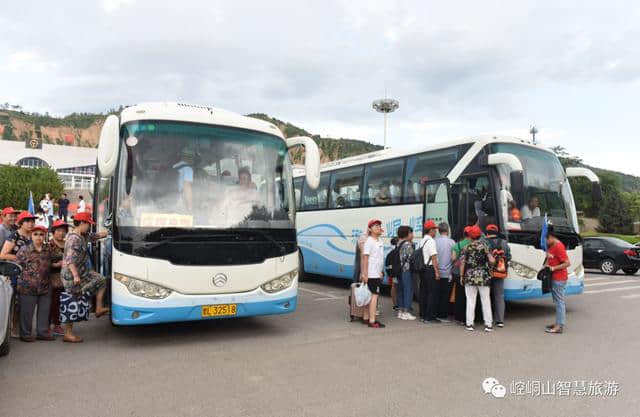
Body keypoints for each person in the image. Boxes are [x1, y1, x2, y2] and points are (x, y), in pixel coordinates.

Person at [60, 212, 109, 342]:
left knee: (101, 279)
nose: (89, 227)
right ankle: (68, 333)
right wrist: (76, 276)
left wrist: (111, 231)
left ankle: (98, 308)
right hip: (71, 274)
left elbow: (97, 236)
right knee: (73, 299)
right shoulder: (73, 239)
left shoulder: (84, 235)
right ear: (82, 223)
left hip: (83, 272)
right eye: (88, 224)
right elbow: (69, 260)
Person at [15, 224, 54, 342]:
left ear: (45, 236)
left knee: (44, 311)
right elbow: (16, 266)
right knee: (26, 313)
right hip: (27, 287)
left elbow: (55, 261)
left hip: (45, 286)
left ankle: (42, 333)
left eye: (41, 234)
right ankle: (26, 334)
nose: (38, 237)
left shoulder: (49, 249)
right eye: (35, 234)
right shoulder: (24, 250)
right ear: (31, 236)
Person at [1, 211, 36, 338]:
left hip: (32, 274)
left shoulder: (34, 235)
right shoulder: (14, 236)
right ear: (21, 223)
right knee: (16, 302)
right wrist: (20, 258)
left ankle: (23, 328)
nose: (31, 223)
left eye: (32, 221)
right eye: (27, 221)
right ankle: (13, 328)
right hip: (16, 273)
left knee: (25, 302)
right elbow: (3, 255)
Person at [460, 225, 495, 332]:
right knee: (485, 300)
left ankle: (469, 324)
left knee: (470, 300)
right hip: (483, 277)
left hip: (469, 276)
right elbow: (492, 261)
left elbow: (462, 263)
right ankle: (488, 325)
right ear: (480, 235)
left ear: (470, 236)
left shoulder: (466, 248)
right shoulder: (485, 247)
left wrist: (461, 276)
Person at [544, 226, 571, 334]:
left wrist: (553, 268)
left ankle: (559, 326)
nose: (545, 242)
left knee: (559, 302)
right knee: (557, 301)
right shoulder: (551, 245)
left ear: (550, 237)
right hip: (554, 278)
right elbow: (550, 259)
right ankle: (558, 323)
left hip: (559, 278)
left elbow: (567, 263)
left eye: (545, 239)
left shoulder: (559, 246)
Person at [361, 219, 386, 328]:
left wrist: (380, 271)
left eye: (379, 226)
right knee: (374, 297)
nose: (378, 227)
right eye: (375, 226)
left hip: (376, 273)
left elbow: (379, 259)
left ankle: (366, 318)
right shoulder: (369, 241)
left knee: (369, 296)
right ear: (370, 229)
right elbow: (365, 258)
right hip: (371, 274)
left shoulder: (379, 241)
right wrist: (365, 274)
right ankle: (372, 321)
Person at [485, 224, 511, 328]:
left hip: (486, 272)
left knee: (485, 296)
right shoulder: (504, 243)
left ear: (487, 232)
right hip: (500, 272)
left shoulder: (484, 242)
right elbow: (509, 257)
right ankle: (500, 320)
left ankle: (488, 320)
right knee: (499, 296)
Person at [419, 220, 440, 323]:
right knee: (432, 293)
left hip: (422, 269)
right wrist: (437, 272)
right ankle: (429, 316)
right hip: (430, 269)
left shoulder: (422, 240)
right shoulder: (431, 241)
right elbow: (434, 257)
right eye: (434, 230)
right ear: (431, 230)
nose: (436, 232)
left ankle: (422, 314)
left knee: (423, 292)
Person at [48, 220, 68, 336]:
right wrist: (56, 264)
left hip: (65, 278)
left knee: (62, 302)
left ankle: (58, 324)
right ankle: (50, 325)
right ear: (53, 232)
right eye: (59, 231)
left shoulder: (67, 244)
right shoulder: (49, 245)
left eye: (63, 231)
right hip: (53, 278)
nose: (61, 233)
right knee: (52, 302)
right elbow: (44, 262)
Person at [435, 222, 455, 322]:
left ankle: (436, 313)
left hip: (436, 273)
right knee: (445, 295)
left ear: (439, 231)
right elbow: (454, 258)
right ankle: (442, 316)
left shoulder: (435, 241)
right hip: (448, 273)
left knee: (437, 294)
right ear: (447, 230)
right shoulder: (452, 242)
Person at [451, 226, 471, 324]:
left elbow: (453, 258)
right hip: (470, 273)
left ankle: (459, 317)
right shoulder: (474, 244)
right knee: (470, 296)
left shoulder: (457, 245)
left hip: (458, 273)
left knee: (459, 295)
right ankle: (469, 318)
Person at [396, 225, 416, 320]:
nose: (412, 235)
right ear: (407, 234)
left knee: (400, 290)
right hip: (406, 270)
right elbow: (412, 258)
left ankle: (400, 311)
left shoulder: (398, 243)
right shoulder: (408, 244)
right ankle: (406, 311)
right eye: (411, 233)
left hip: (399, 270)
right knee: (408, 290)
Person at [173, 147, 196, 211]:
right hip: (178, 203)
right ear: (190, 158)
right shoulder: (188, 169)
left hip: (166, 200)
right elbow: (187, 187)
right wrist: (190, 208)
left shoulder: (173, 167)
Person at [389, 236, 399, 311]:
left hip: (392, 271)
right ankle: (395, 305)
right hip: (395, 271)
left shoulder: (392, 249)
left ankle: (395, 304)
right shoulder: (395, 250)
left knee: (394, 286)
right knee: (394, 286)